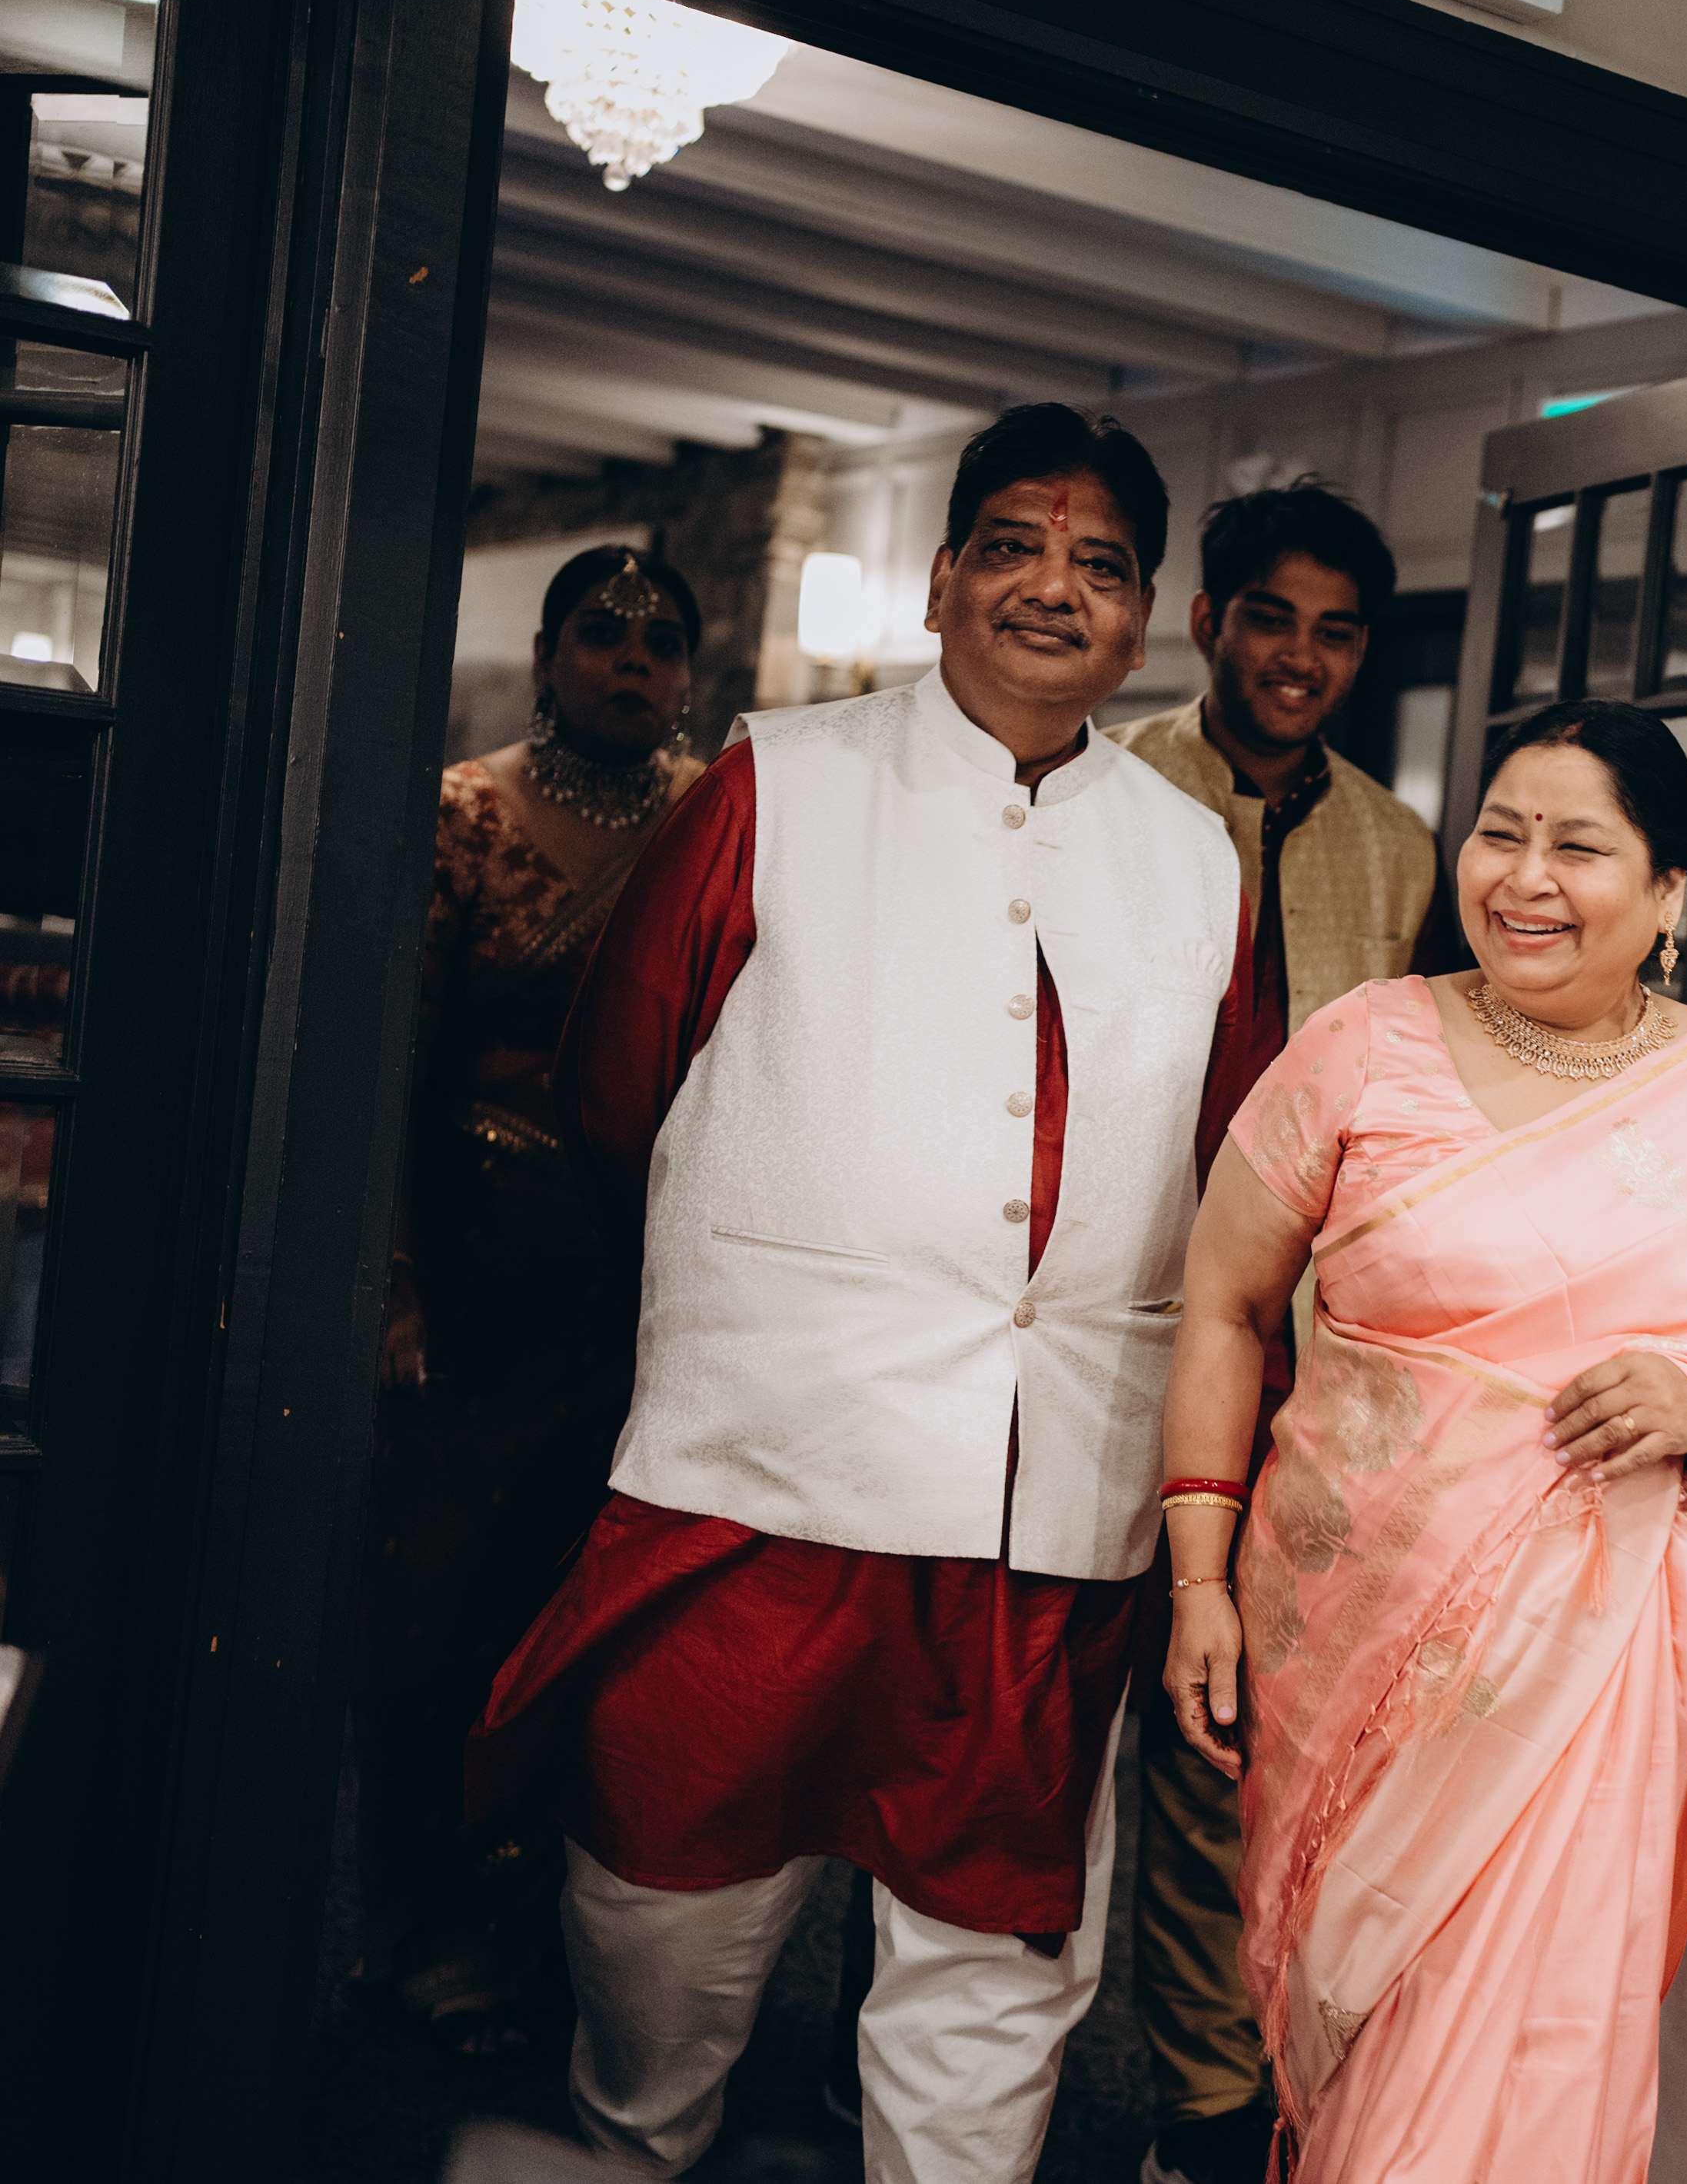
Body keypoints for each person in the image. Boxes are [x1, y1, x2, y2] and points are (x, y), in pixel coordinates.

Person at [469, 404, 1253, 2183]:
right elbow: (616, 1087)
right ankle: (630, 2141)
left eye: (1101, 563)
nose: (1052, 586)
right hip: (764, 1466)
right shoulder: (776, 785)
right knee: (662, 1900)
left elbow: (1234, 1161)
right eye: (1013, 545)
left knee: (997, 1961)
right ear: (942, 576)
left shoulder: (1193, 857)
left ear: (1144, 621)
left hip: (1049, 1504)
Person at [1158, 701, 1687, 2182]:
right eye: (1500, 832)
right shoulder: (1364, 1046)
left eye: (1579, 846)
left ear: (1669, 890)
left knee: (1526, 2047)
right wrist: (1196, 1578)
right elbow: (1222, 1304)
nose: (1525, 876)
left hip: (1592, 1660)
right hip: (1353, 1631)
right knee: (1359, 2021)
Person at [1102, 480, 1451, 2184]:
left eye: (1336, 630)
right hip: (1091, 1314)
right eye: (1269, 617)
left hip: (1288, 1352)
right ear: (1206, 623)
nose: (1300, 656)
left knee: (1215, 1738)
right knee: (1013, 1722)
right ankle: (911, 2066)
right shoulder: (1108, 796)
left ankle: (1204, 2113)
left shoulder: (1403, 848)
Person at [354, 545, 707, 2053]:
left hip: (652, 1287)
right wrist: (391, 1286)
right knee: (438, 1613)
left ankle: (561, 1940)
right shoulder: (465, 810)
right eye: (603, 631)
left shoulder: (713, 818)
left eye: (661, 639)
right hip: (477, 1273)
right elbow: (392, 1061)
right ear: (552, 651)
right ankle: (425, 1923)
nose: (632, 658)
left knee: (600, 1626)